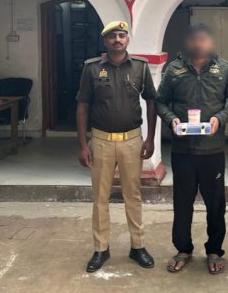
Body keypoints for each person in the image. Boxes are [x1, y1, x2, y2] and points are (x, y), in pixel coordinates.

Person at [155, 23, 228, 275]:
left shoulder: (224, 69)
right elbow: (160, 102)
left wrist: (219, 119)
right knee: (182, 203)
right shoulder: (174, 70)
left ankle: (214, 250)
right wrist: (171, 119)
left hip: (212, 150)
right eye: (194, 39)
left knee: (216, 204)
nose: (198, 43)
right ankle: (183, 249)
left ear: (210, 42)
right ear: (187, 42)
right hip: (183, 150)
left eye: (203, 39)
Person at [76, 20, 157, 273]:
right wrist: (83, 144)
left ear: (127, 40)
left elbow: (152, 101)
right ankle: (101, 248)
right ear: (105, 41)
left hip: (132, 141)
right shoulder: (91, 69)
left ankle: (138, 246)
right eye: (113, 36)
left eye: (122, 35)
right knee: (100, 197)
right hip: (100, 141)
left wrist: (150, 138)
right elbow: (82, 106)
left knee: (133, 195)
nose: (117, 40)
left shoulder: (141, 67)